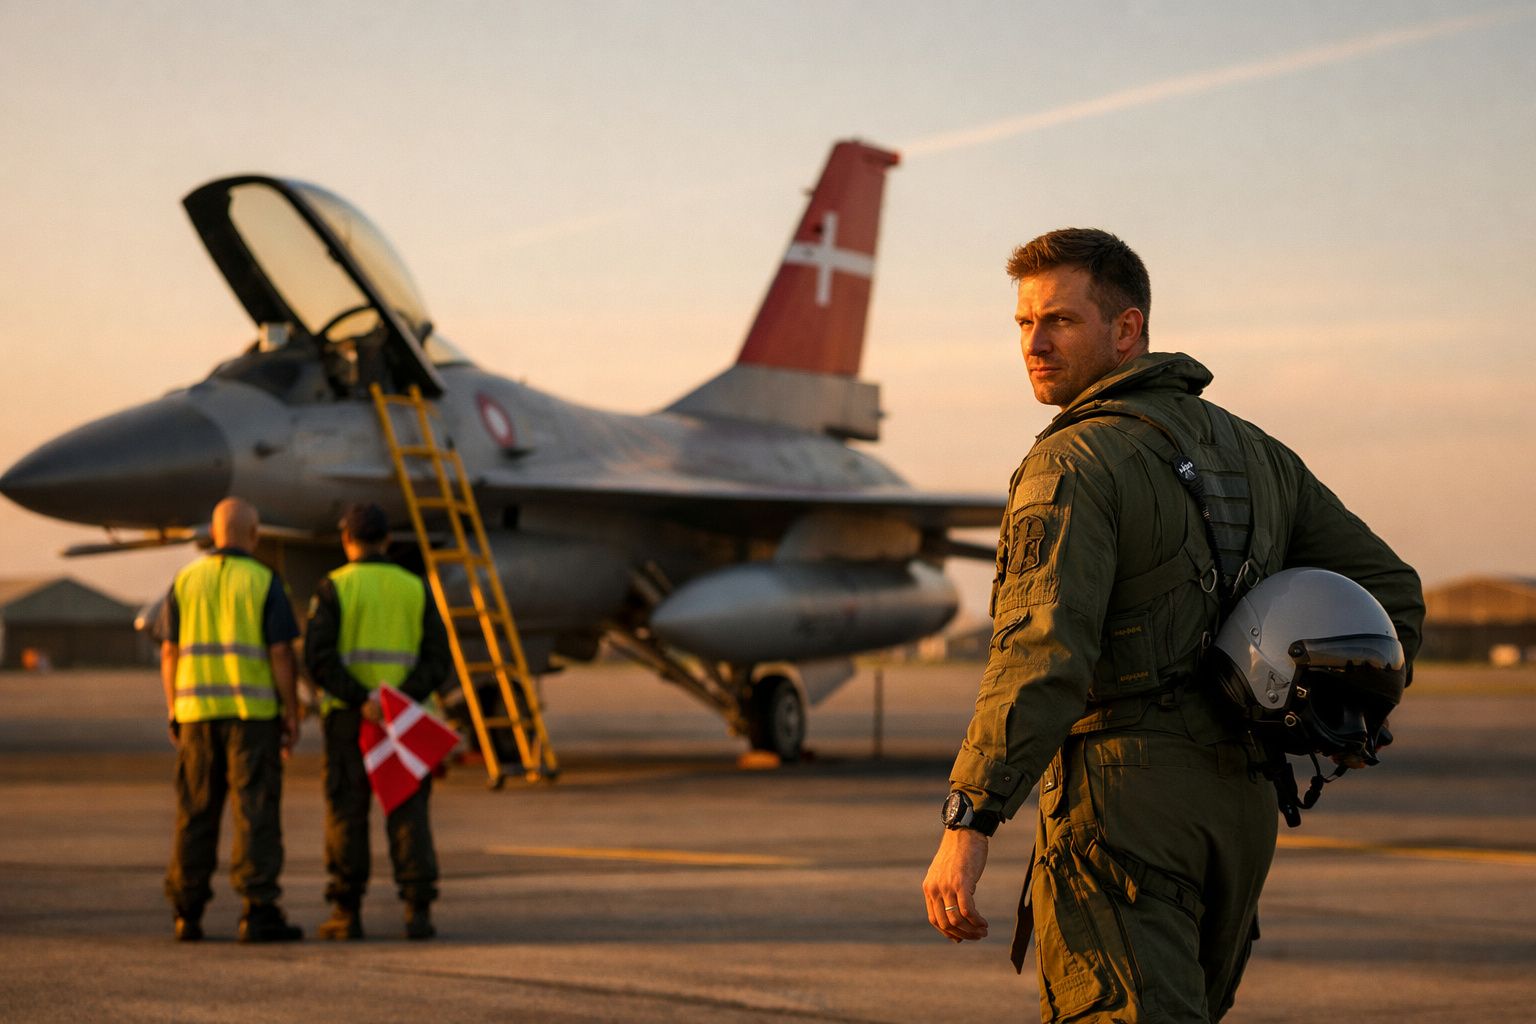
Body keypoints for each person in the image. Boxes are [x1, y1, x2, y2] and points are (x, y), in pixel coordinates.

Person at [921, 229, 1424, 1022]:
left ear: (1127, 330)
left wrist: (971, 816)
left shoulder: (1074, 461)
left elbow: (1042, 653)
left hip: (1124, 809)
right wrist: (1353, 713)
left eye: (1061, 321)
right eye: (1023, 324)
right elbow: (1393, 591)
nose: (1036, 344)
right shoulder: (1256, 453)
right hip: (1240, 807)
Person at [304, 502, 451, 940]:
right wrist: (397, 699)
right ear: (387, 540)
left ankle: (346, 913)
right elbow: (438, 660)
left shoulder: (333, 587)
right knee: (409, 813)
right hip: (403, 722)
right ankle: (417, 911)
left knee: (347, 814)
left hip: (351, 720)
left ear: (347, 539)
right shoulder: (416, 588)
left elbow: (318, 658)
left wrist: (361, 698)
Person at [159, 497, 303, 942]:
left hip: (196, 717)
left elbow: (169, 651)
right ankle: (258, 911)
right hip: (251, 718)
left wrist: (174, 708)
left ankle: (188, 912)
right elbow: (280, 652)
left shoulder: (185, 580)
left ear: (213, 533)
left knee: (195, 813)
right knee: (255, 813)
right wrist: (291, 710)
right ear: (254, 534)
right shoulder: (263, 580)